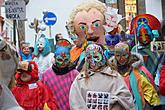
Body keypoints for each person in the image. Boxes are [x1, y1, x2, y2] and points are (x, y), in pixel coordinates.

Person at [69, 43, 135, 110]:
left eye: (96, 57)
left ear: (103, 57)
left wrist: (116, 106)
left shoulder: (114, 76)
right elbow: (76, 102)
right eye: (89, 57)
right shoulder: (80, 80)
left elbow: (126, 99)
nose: (93, 61)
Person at [111, 42, 160, 110]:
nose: (121, 58)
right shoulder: (111, 71)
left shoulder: (139, 70)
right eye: (118, 55)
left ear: (129, 54)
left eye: (124, 55)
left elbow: (149, 90)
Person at [67, 0, 107, 71]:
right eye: (83, 27)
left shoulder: (111, 52)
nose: (90, 31)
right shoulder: (74, 53)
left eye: (96, 25)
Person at [41, 39, 79, 110]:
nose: (63, 63)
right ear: (55, 58)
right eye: (60, 60)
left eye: (66, 60)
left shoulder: (74, 74)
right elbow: (43, 94)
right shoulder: (46, 75)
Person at [131, 14, 161, 78]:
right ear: (138, 36)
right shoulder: (134, 49)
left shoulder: (156, 48)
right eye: (141, 35)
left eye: (146, 35)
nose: (144, 38)